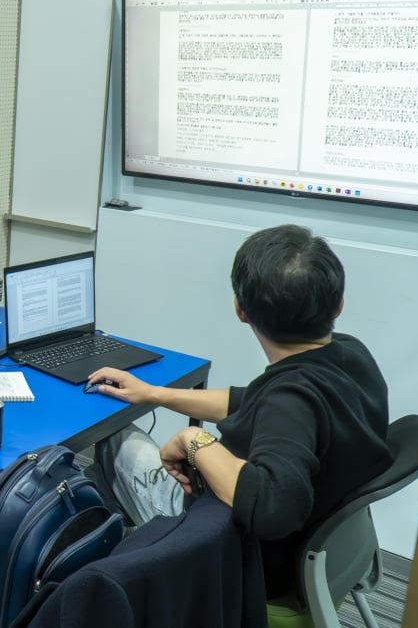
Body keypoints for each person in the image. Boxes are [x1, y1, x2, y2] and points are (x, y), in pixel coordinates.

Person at [86, 224, 392, 600]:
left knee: (115, 438)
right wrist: (154, 394)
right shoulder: (347, 356)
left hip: (239, 555)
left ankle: (128, 577)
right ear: (338, 304)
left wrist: (194, 441)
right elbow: (251, 401)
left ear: (241, 310)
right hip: (324, 555)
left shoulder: (289, 399)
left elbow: (273, 506)